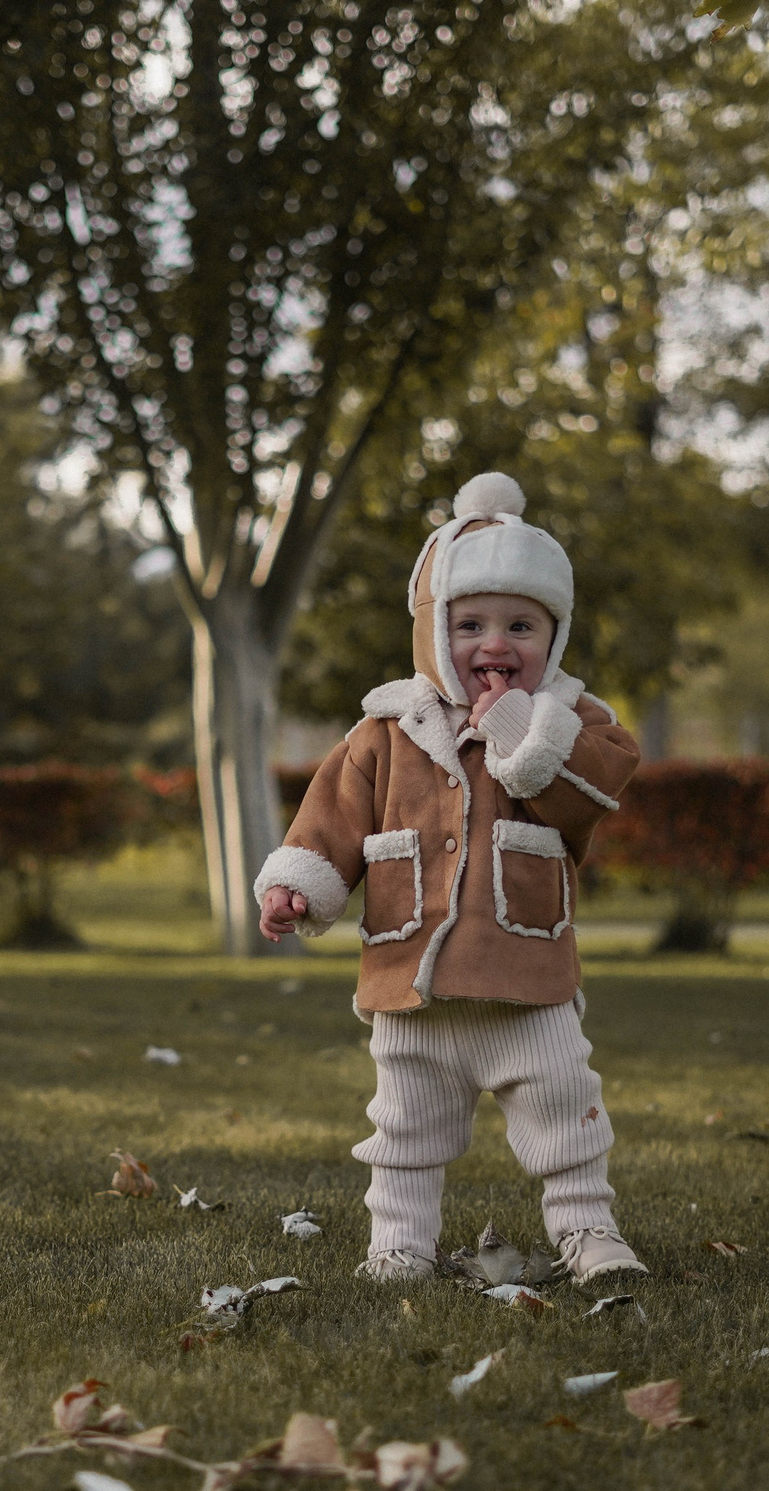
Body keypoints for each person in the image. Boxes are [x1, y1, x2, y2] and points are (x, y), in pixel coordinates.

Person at [253, 472, 646, 1285]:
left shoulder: (572, 720)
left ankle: (588, 1231)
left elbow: (591, 793)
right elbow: (333, 814)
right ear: (432, 629)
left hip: (524, 975)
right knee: (404, 1127)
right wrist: (301, 884)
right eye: (468, 622)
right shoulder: (390, 728)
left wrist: (516, 729)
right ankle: (398, 1244)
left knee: (564, 1111)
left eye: (520, 625)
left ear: (556, 633)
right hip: (411, 976)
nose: (493, 644)